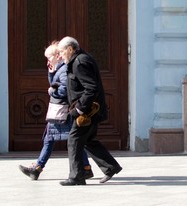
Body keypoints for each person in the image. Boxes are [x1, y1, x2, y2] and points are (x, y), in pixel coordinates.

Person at [19, 41, 93, 180]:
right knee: (61, 139)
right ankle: (85, 167)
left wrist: (52, 92)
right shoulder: (59, 69)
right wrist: (51, 72)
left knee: (71, 140)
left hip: (62, 110)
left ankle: (38, 168)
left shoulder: (64, 69)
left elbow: (64, 89)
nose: (47, 61)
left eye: (49, 57)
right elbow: (54, 83)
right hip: (58, 110)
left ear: (58, 56)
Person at [57, 36, 122, 186]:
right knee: (87, 140)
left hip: (88, 111)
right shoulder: (79, 60)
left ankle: (76, 176)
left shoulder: (80, 62)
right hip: (89, 110)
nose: (60, 55)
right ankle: (110, 167)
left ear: (70, 49)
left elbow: (91, 88)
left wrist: (79, 109)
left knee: (74, 140)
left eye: (61, 51)